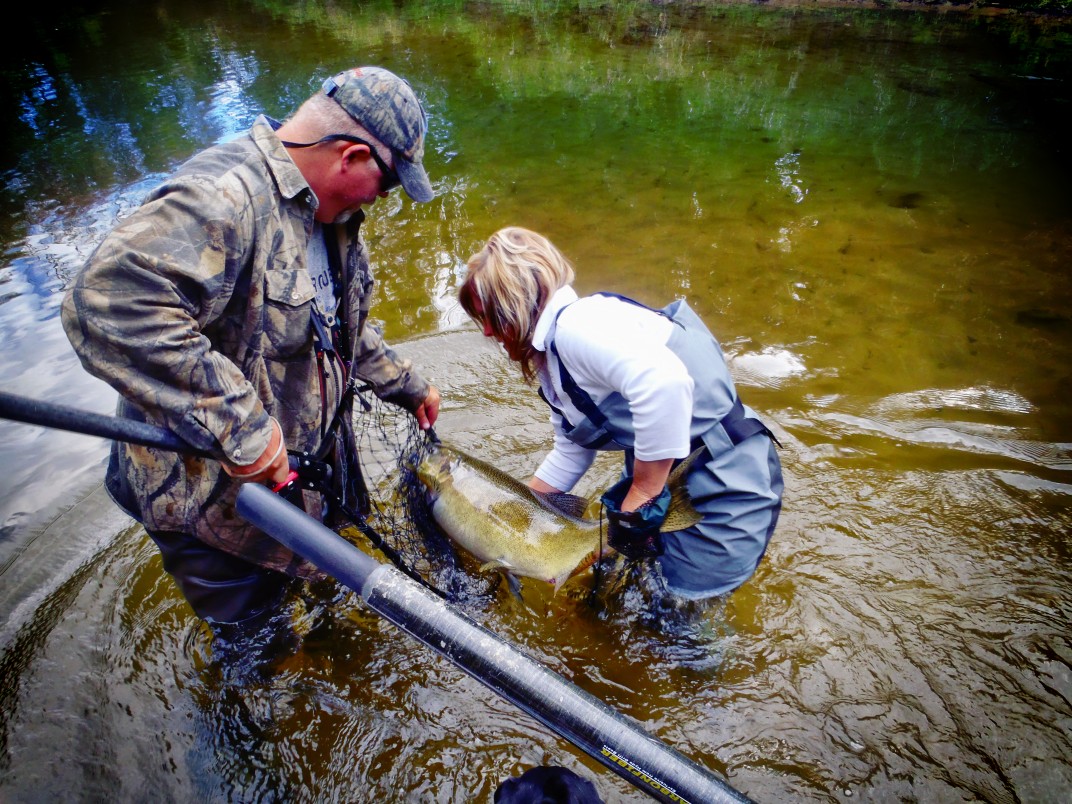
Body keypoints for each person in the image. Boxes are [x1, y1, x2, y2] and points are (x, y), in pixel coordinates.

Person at [61, 66, 441, 646]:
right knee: (260, 657)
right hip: (210, 505)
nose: (383, 200)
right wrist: (241, 425)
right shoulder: (223, 197)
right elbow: (106, 303)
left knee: (325, 616)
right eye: (387, 185)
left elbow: (339, 326)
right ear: (353, 157)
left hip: (295, 480)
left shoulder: (329, 217)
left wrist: (406, 383)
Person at [459, 227, 782, 603]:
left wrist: (644, 491)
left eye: (490, 318)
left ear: (516, 303)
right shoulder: (553, 360)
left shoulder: (579, 328)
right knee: (639, 596)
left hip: (725, 480)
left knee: (684, 620)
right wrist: (514, 517)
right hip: (671, 476)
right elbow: (570, 451)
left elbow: (666, 384)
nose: (485, 332)